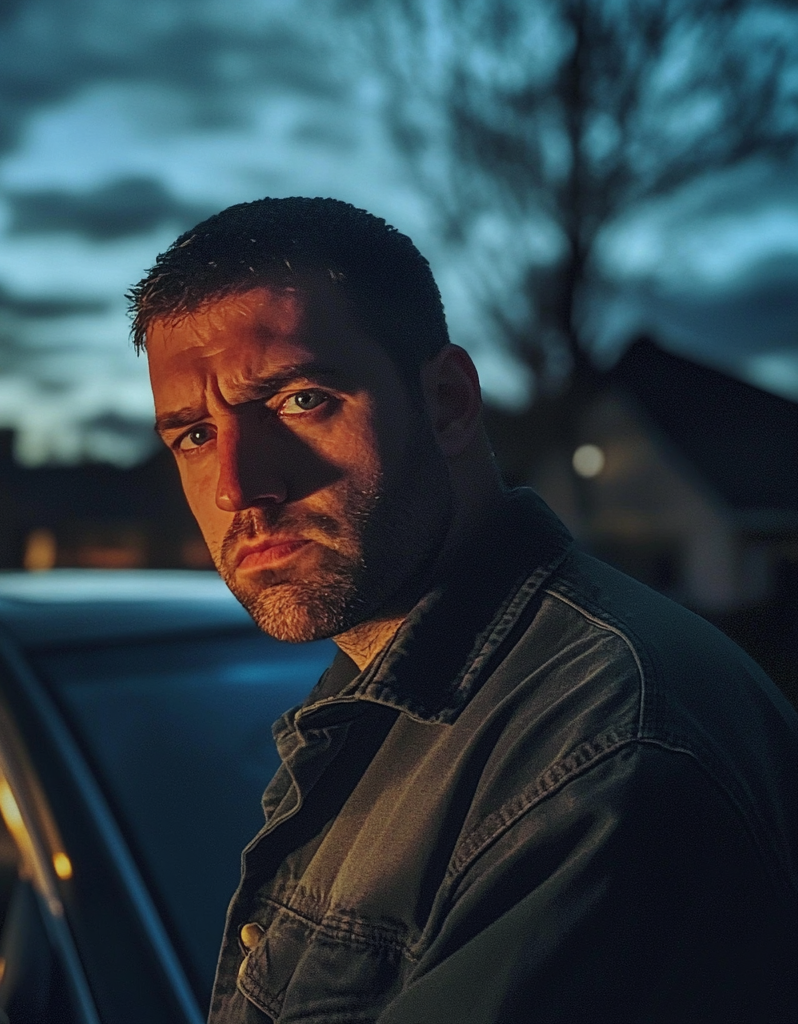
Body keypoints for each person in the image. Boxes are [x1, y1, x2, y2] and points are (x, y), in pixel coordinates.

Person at [130, 197, 798, 1023]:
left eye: (301, 400)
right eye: (193, 435)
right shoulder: (384, 699)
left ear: (447, 400)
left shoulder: (603, 750)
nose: (238, 486)